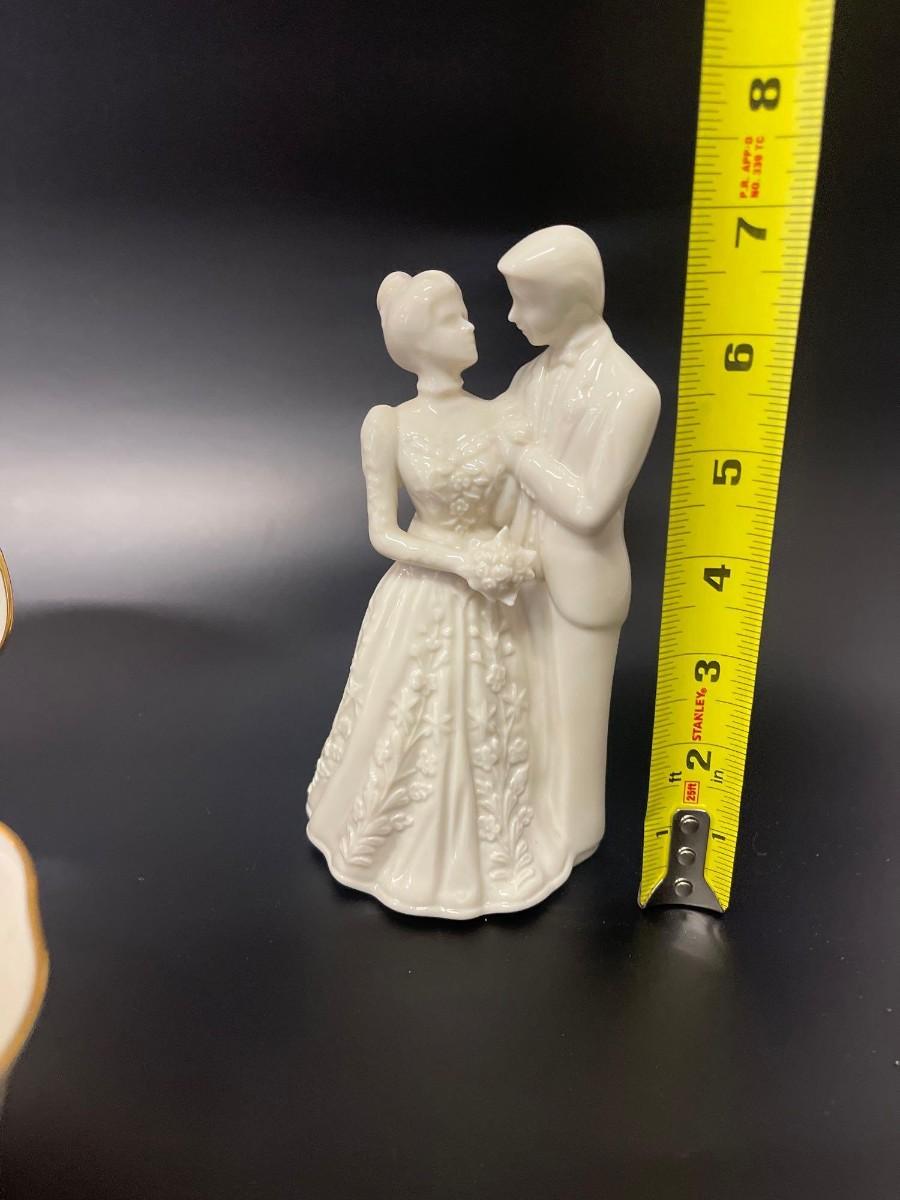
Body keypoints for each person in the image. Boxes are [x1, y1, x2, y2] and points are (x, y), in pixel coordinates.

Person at [306, 269, 570, 918]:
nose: (471, 325)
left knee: (493, 721)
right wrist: (462, 561)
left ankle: (498, 849)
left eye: (464, 313)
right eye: (453, 318)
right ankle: (396, 846)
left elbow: (523, 505)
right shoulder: (389, 424)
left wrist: (507, 559)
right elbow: (383, 533)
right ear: (419, 340)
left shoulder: (501, 415)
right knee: (410, 722)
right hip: (426, 589)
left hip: (492, 597)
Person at [495, 225, 661, 862]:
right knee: (528, 708)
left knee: (576, 720)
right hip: (521, 572)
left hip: (581, 584)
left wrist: (524, 457)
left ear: (570, 298)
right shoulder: (528, 377)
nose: (512, 316)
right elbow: (491, 438)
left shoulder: (632, 392)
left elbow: (591, 507)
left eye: (524, 301)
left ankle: (573, 835)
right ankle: (525, 820)